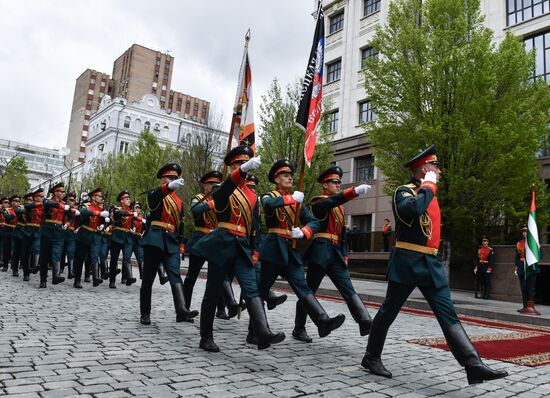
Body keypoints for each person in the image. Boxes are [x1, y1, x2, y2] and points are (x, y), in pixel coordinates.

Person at [361, 145, 507, 385]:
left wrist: (428, 187)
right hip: (408, 262)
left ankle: (473, 365)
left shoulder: (429, 193)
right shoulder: (404, 191)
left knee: (447, 314)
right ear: (423, 168)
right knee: (389, 311)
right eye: (435, 167)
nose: (439, 171)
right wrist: (428, 184)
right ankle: (371, 357)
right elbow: (411, 211)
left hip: (430, 263)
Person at [192, 146, 284, 352]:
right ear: (232, 167)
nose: (243, 168)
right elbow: (224, 191)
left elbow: (254, 226)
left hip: (242, 246)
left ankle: (262, 332)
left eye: (246, 165)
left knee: (252, 290)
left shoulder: (252, 196)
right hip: (222, 244)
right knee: (212, 292)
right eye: (238, 165)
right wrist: (240, 172)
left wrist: (255, 250)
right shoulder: (221, 189)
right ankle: (206, 336)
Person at [259, 160, 346, 341]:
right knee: (262, 290)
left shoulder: (298, 203)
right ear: (276, 179)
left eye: (291, 175)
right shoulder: (270, 195)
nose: (290, 177)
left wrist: (304, 231)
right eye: (285, 175)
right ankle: (256, 331)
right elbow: (268, 204)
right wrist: (291, 199)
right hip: (274, 247)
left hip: (291, 249)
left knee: (303, 286)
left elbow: (314, 221)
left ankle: (322, 320)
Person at [293, 166, 372, 343]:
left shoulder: (340, 208)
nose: (338, 185)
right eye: (334, 182)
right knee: (309, 291)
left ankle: (364, 320)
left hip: (336, 253)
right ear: (324, 184)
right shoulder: (318, 202)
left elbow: (342, 235)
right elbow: (331, 202)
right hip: (321, 252)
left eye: (339, 182)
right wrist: (353, 192)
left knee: (348, 288)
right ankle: (299, 328)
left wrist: (344, 254)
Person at [139, 163, 198, 326]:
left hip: (171, 241)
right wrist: (169, 187)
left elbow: (180, 225)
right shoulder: (154, 193)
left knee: (175, 274)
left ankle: (181, 310)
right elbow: (156, 196)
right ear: (162, 179)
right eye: (169, 178)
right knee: (149, 278)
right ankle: (145, 313)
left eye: (174, 178)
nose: (172, 180)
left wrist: (180, 244)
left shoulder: (178, 201)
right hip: (155, 239)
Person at [183, 171, 229, 322]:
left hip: (215, 241)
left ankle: (221, 309)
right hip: (200, 240)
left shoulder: (221, 200)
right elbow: (195, 210)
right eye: (211, 184)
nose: (213, 186)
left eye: (216, 184)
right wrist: (212, 203)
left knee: (218, 277)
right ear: (205, 185)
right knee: (191, 276)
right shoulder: (197, 198)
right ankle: (184, 309)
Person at [38, 182, 78, 288]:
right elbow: (47, 204)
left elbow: (71, 217)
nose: (63, 193)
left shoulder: (65, 205)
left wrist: (67, 224)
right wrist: (61, 206)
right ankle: (43, 280)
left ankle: (56, 276)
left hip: (58, 232)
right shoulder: (48, 201)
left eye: (63, 191)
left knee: (56, 254)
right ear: (55, 192)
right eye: (61, 191)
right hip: (47, 230)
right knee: (44, 257)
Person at [73, 188, 109, 288]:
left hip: (95, 235)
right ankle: (77, 280)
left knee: (94, 256)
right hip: (85, 234)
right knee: (80, 258)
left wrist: (103, 224)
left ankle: (96, 278)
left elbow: (101, 221)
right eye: (99, 196)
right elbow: (83, 212)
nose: (101, 198)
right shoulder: (86, 206)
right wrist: (99, 214)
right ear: (93, 197)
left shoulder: (100, 208)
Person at [109, 191, 139, 289]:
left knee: (127, 258)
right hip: (117, 237)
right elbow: (120, 213)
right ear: (121, 201)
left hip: (127, 238)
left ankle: (129, 277)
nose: (129, 200)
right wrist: (132, 213)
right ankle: (112, 280)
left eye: (129, 198)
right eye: (126, 199)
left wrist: (133, 226)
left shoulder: (131, 211)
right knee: (114, 259)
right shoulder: (117, 209)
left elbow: (132, 222)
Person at [515, 225, 541, 315]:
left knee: (531, 288)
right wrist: (517, 267)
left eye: (526, 231)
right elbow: (517, 257)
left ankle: (531, 307)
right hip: (522, 268)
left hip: (531, 268)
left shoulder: (534, 243)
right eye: (523, 232)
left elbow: (540, 256)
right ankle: (525, 306)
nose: (524, 233)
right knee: (523, 288)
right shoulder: (519, 243)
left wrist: (537, 251)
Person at [22, 188, 44, 280]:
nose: (43, 198)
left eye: (43, 196)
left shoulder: (44, 207)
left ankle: (34, 266)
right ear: (35, 197)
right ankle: (26, 273)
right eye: (41, 196)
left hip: (38, 231)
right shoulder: (29, 204)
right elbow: (27, 207)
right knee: (26, 253)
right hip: (28, 230)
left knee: (37, 249)